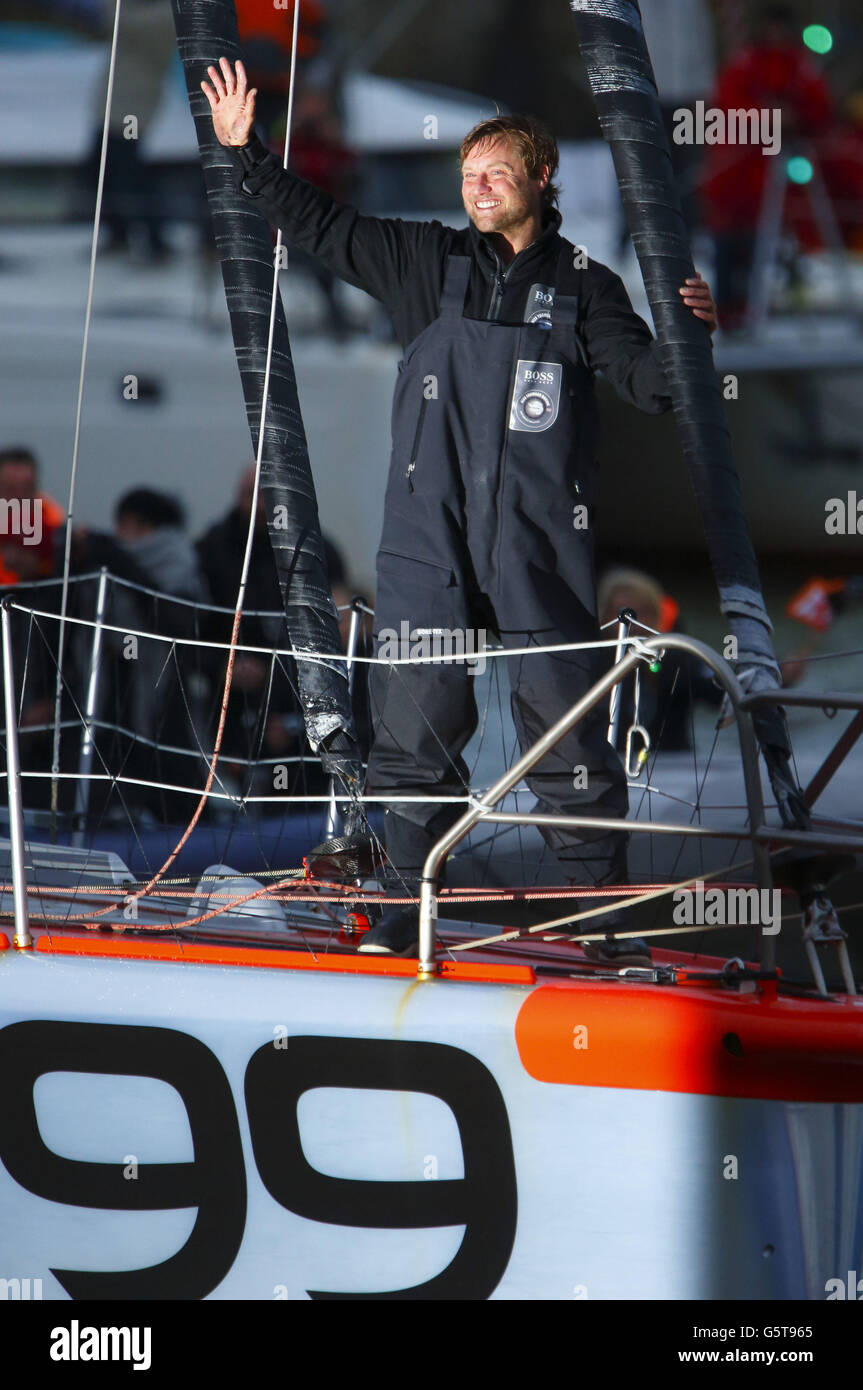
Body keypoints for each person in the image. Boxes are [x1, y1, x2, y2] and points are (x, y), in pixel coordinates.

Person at [202, 58, 718, 959]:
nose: (477, 189)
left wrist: (690, 339)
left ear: (539, 179)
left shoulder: (587, 288)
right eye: (467, 176)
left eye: (495, 175)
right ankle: (405, 921)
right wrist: (249, 155)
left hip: (537, 552)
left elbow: (649, 384)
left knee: (569, 740)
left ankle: (597, 929)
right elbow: (321, 224)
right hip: (425, 547)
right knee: (413, 737)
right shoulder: (421, 260)